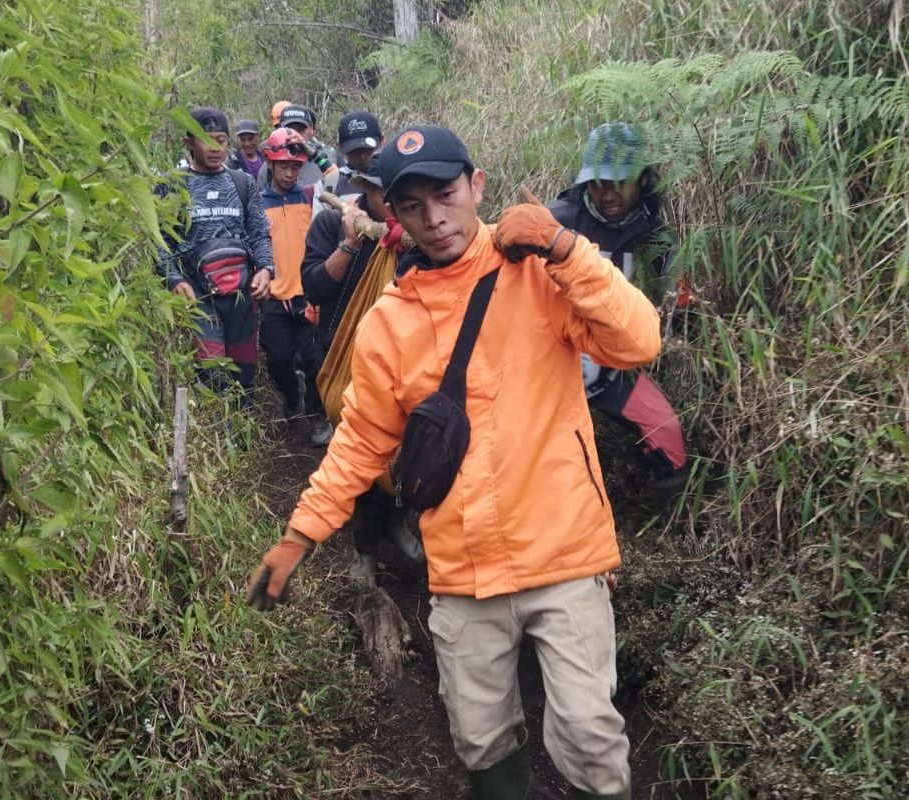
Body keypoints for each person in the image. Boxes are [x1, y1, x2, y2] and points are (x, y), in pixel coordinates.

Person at [248, 124, 660, 800]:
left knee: (588, 736)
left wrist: (566, 247)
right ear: (391, 214)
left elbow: (639, 342)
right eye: (412, 206)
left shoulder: (536, 270)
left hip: (564, 550)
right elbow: (359, 445)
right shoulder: (390, 321)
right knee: (479, 737)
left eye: (445, 195)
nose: (434, 220)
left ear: (477, 187)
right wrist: (300, 537)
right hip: (463, 563)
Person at [548, 122, 691, 504]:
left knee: (668, 436)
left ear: (643, 179)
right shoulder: (556, 221)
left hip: (611, 368)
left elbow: (677, 300)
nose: (607, 193)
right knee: (552, 460)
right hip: (550, 367)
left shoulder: (653, 233)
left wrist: (681, 307)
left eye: (619, 182)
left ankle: (661, 531)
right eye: (598, 184)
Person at [302, 154, 421, 577]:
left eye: (394, 194)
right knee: (362, 456)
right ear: (364, 191)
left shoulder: (418, 236)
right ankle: (365, 550)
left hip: (404, 362)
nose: (386, 202)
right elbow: (312, 287)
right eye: (376, 192)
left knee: (400, 455)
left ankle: (396, 523)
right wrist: (349, 243)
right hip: (344, 355)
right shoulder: (334, 225)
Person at [155, 107, 274, 402]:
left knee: (243, 373)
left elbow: (258, 233)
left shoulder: (242, 183)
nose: (215, 148)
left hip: (241, 293)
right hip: (197, 293)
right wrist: (173, 279)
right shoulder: (172, 186)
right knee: (210, 372)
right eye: (206, 140)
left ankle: (242, 437)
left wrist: (266, 269)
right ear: (188, 143)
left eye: (221, 140)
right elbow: (158, 240)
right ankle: (216, 433)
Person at [258, 127, 331, 444]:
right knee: (277, 359)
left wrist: (312, 150)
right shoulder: (257, 203)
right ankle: (291, 397)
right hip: (275, 299)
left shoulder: (311, 197)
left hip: (308, 297)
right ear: (270, 164)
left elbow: (335, 177)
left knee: (315, 361)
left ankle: (318, 418)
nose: (290, 173)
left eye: (295, 166)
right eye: (283, 165)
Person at [313, 109, 383, 208]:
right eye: (355, 150)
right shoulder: (330, 184)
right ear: (340, 147)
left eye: (368, 149)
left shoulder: (395, 177)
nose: (362, 156)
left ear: (381, 141)